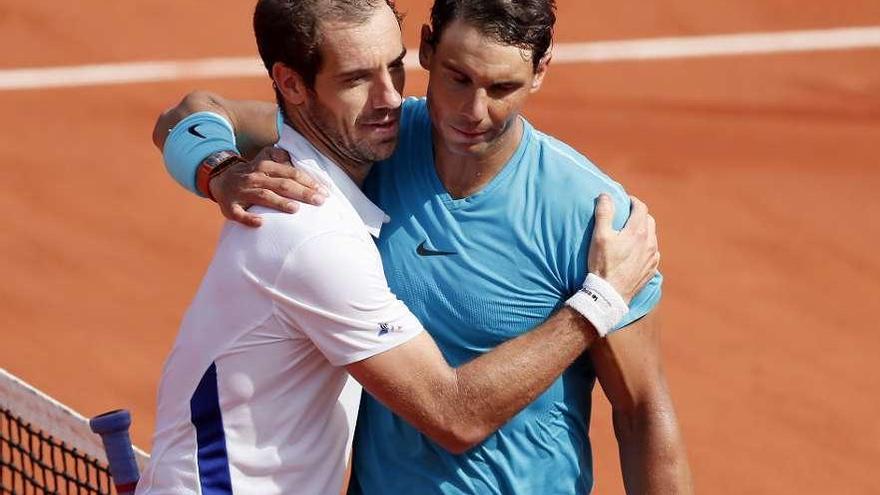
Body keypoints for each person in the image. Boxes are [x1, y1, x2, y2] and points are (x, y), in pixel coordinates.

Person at [142, 1, 665, 494]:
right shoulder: (351, 170)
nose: (473, 111)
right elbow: (191, 113)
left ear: (541, 70)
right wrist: (222, 172)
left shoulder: (590, 216)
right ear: (430, 49)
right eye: (457, 79)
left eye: (503, 86)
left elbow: (642, 408)